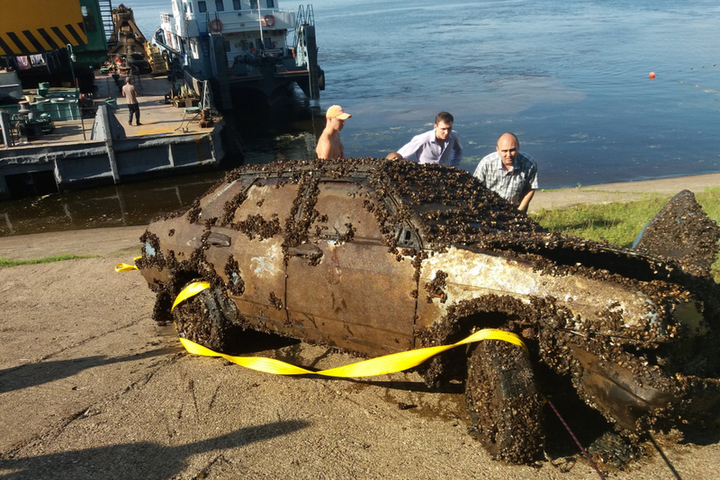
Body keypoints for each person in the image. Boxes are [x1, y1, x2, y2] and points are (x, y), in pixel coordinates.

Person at [473, 132, 538, 212]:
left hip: (516, 209)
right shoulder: (486, 163)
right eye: (504, 151)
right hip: (490, 209)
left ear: (518, 146)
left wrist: (520, 210)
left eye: (512, 150)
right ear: (497, 149)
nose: (509, 154)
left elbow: (531, 188)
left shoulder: (528, 164)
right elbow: (474, 187)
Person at [396, 111, 463, 167]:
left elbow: (458, 150)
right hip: (424, 175)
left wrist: (454, 166)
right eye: (443, 129)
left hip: (444, 174)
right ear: (435, 127)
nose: (446, 132)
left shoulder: (454, 136)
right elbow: (401, 155)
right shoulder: (423, 139)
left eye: (449, 128)